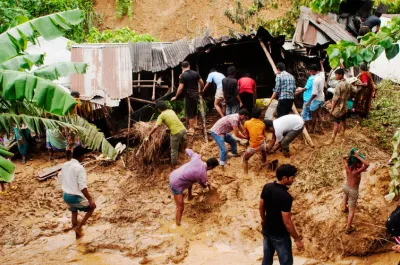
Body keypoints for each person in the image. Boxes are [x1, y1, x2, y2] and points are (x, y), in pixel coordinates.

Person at [259, 164, 304, 265]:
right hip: (280, 234)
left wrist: (264, 220)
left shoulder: (267, 187)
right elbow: (287, 222)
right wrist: (297, 239)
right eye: (292, 178)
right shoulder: (286, 197)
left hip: (267, 230)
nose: (293, 180)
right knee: (286, 262)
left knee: (267, 258)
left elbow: (261, 206)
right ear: (284, 178)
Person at [169, 149, 218, 226]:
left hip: (174, 174)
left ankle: (190, 196)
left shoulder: (197, 158)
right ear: (211, 167)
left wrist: (197, 155)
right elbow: (204, 185)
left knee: (192, 179)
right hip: (175, 183)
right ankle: (177, 225)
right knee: (180, 207)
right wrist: (207, 184)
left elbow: (187, 150)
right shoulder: (202, 174)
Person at [59, 146, 96, 239]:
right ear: (81, 156)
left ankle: (77, 236)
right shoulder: (79, 168)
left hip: (65, 195)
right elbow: (83, 187)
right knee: (92, 207)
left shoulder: (65, 164)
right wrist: (90, 199)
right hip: (74, 197)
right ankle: (78, 228)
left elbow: (60, 177)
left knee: (74, 212)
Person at [171, 61, 204, 135]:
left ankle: (191, 129)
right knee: (194, 109)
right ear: (189, 66)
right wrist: (201, 90)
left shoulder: (183, 76)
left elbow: (180, 88)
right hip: (195, 94)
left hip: (188, 95)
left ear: (182, 67)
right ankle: (195, 125)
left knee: (189, 112)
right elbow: (201, 82)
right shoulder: (195, 73)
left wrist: (176, 96)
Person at [342, 148, 369, 234]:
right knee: (352, 210)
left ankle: (344, 207)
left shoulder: (348, 167)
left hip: (346, 187)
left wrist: (347, 158)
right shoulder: (357, 172)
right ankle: (348, 227)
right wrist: (357, 156)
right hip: (353, 191)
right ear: (357, 163)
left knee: (345, 194)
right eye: (360, 163)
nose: (361, 165)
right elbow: (367, 164)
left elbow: (344, 159)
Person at [325, 68, 351, 145]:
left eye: (336, 75)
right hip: (345, 106)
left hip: (339, 107)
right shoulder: (347, 83)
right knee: (344, 120)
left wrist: (331, 109)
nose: (335, 76)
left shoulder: (338, 85)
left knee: (336, 123)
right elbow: (353, 92)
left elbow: (335, 99)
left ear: (340, 75)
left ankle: (332, 139)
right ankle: (343, 132)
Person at [242, 108, 267, 174]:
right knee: (263, 150)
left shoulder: (246, 123)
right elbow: (264, 135)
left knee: (245, 159)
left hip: (253, 146)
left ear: (251, 114)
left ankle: (245, 174)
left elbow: (246, 136)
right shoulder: (262, 124)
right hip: (262, 143)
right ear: (259, 115)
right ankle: (264, 162)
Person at [305, 61, 325, 133]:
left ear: (313, 71)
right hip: (322, 98)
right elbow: (323, 71)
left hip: (316, 99)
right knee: (318, 114)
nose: (310, 72)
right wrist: (321, 64)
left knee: (314, 116)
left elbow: (314, 94)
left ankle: (311, 130)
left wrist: (309, 101)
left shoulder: (315, 80)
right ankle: (321, 129)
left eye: (310, 71)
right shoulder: (321, 75)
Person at [296, 64, 317, 129]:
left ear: (310, 71)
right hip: (313, 99)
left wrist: (298, 91)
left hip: (308, 99)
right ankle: (309, 128)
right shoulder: (317, 77)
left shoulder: (311, 78)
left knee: (304, 115)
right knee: (310, 114)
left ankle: (305, 129)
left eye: (307, 70)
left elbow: (306, 88)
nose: (307, 72)